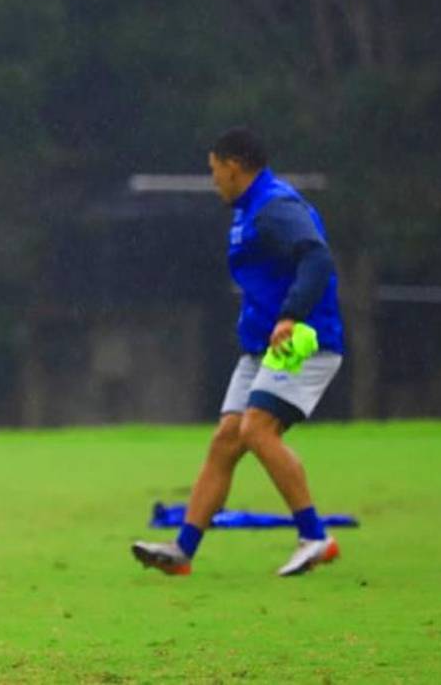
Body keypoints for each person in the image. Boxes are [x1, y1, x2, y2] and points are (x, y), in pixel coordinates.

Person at [132, 127, 345, 577]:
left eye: (214, 172)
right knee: (226, 438)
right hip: (262, 347)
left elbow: (317, 258)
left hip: (303, 341)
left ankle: (314, 536)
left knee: (256, 430)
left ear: (232, 166)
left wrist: (290, 316)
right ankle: (183, 550)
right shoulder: (249, 208)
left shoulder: (274, 206)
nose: (213, 182)